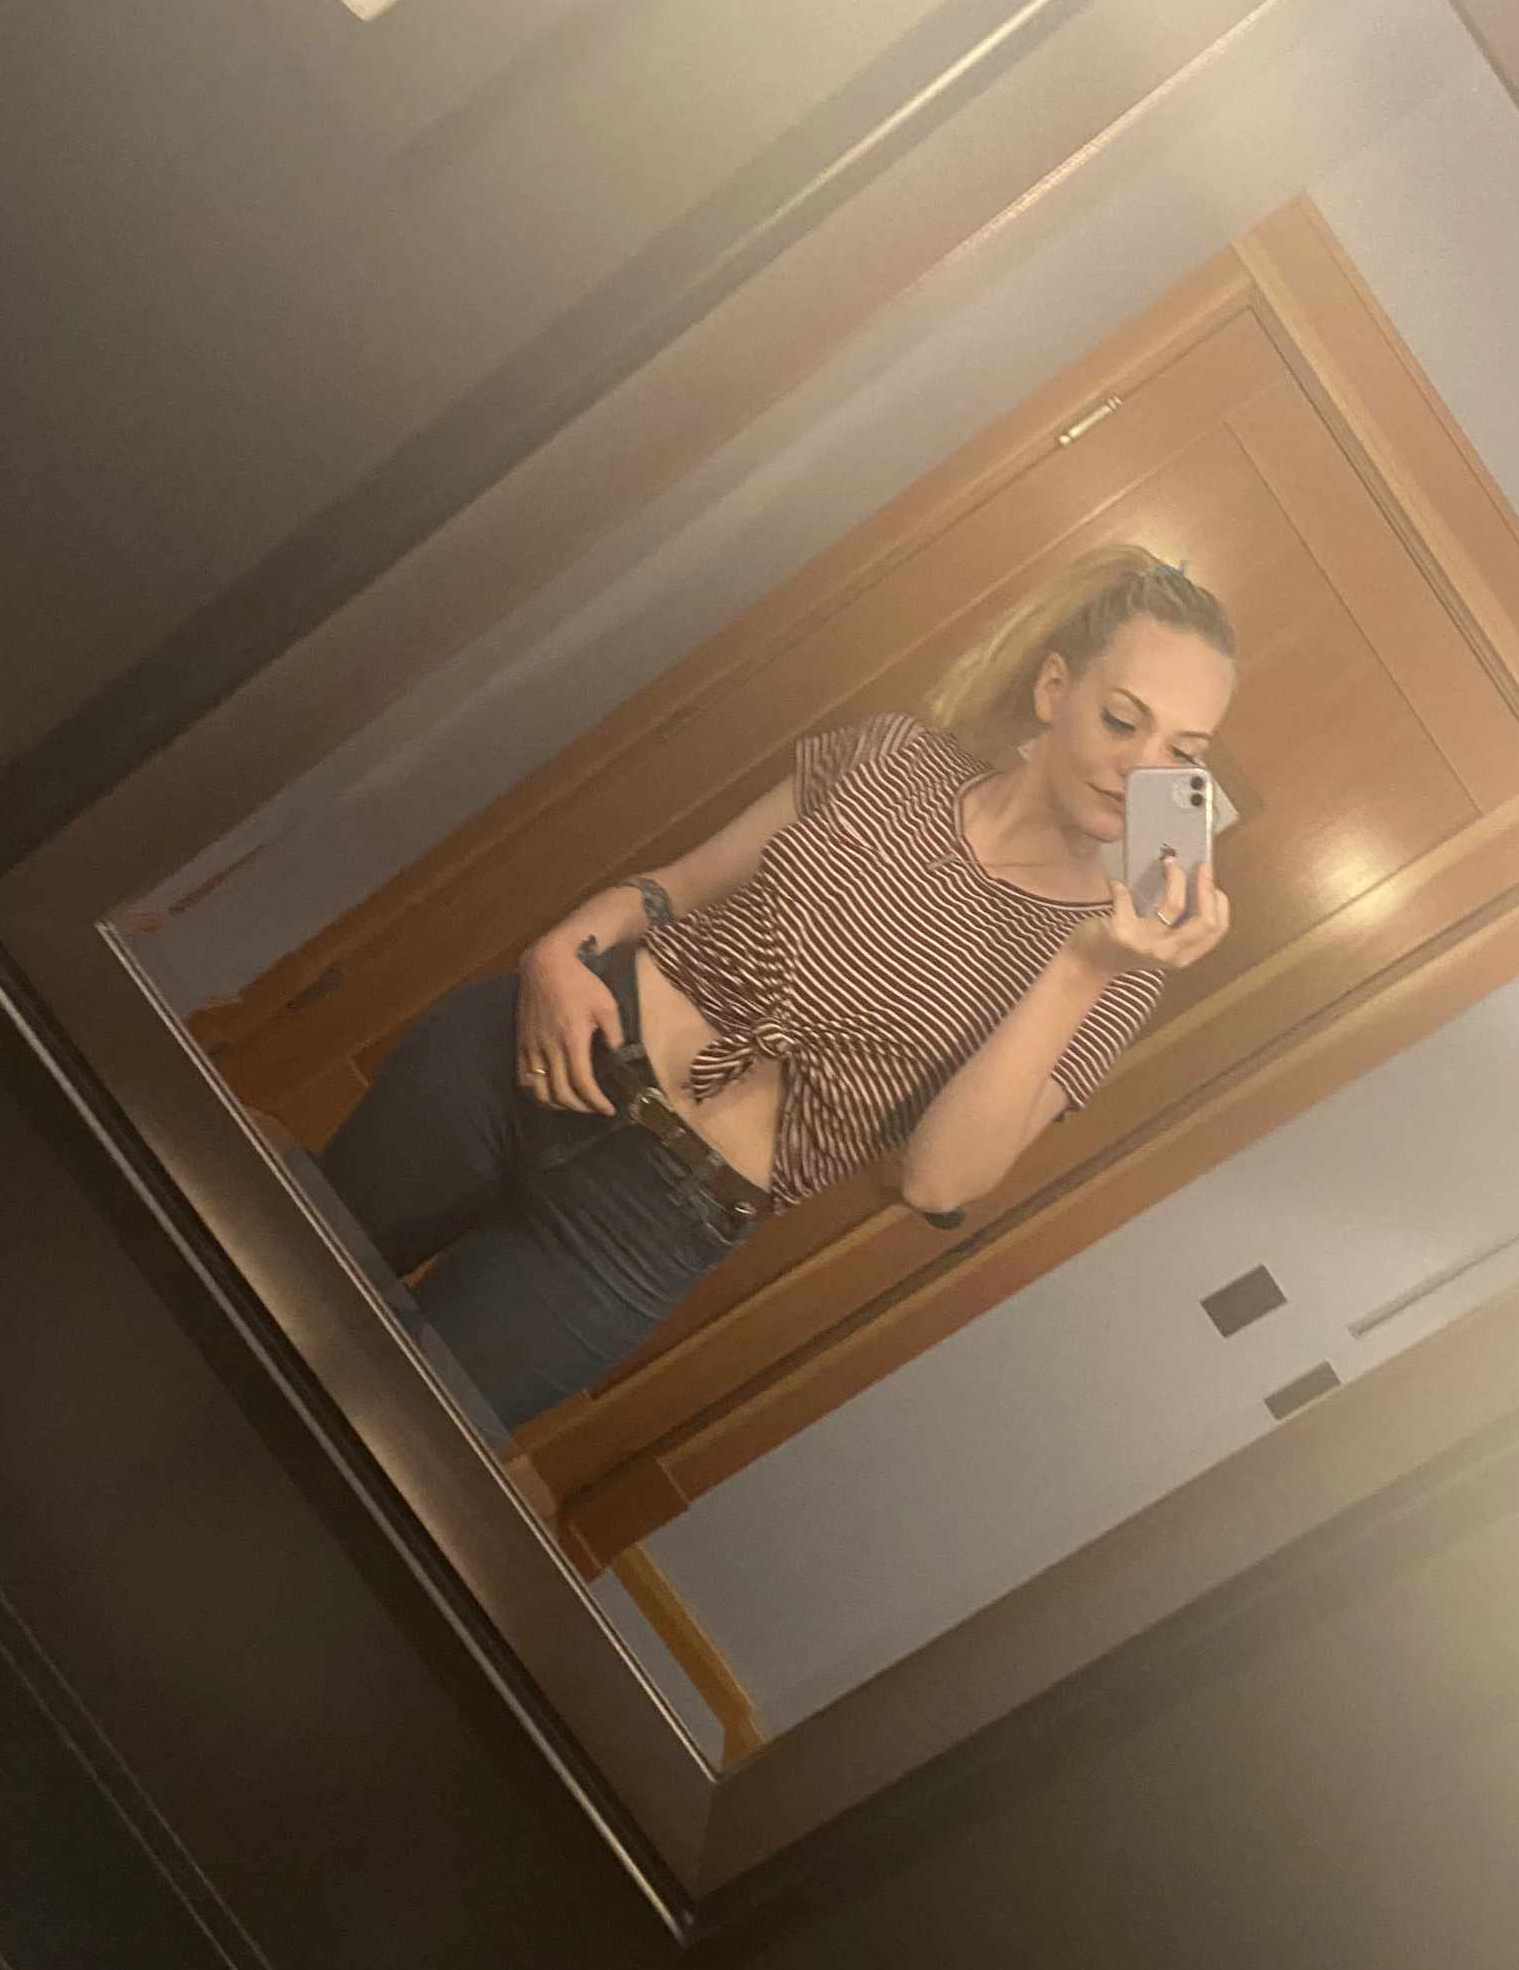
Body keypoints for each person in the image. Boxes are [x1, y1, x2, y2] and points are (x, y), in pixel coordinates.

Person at [313, 541, 1239, 1432]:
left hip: (648, 1228)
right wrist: (558, 953)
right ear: (1053, 688)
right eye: (1124, 721)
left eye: (1182, 752)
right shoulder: (894, 757)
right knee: (277, 1273)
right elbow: (677, 887)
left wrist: (1082, 967)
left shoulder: (1116, 971)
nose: (1142, 767)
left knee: (373, 1441)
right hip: (531, 1054)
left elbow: (937, 1181)